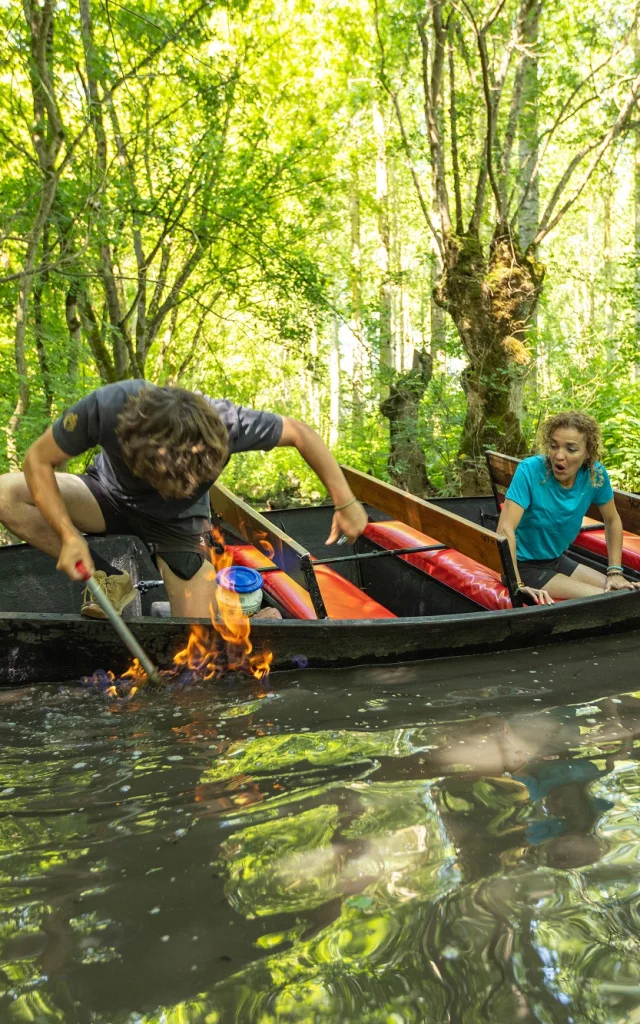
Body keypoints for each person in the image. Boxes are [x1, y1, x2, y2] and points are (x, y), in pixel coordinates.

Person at [0, 381, 368, 618]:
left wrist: (346, 501)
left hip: (177, 525)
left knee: (197, 639)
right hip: (105, 496)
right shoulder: (108, 407)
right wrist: (67, 535)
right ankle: (111, 579)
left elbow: (301, 434)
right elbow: (38, 459)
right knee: (5, 494)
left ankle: (234, 614)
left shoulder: (227, 424)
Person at [497, 411, 640, 605]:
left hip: (556, 560)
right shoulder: (529, 470)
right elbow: (505, 529)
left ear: (588, 452)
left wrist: (615, 570)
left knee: (625, 592)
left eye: (571, 449)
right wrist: (517, 584)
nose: (559, 455)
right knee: (608, 599)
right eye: (554, 446)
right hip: (522, 567)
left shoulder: (595, 474)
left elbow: (612, 520)